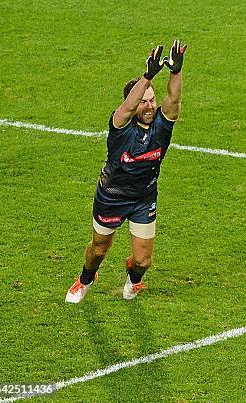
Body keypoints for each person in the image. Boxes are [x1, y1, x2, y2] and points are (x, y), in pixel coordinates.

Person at [66, 40, 188, 303]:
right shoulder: (120, 127)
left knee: (143, 261)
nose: (148, 106)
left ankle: (134, 278)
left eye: (152, 100)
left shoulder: (161, 126)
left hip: (143, 198)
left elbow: (174, 99)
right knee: (99, 250)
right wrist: (148, 76)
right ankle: (86, 278)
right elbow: (128, 108)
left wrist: (175, 72)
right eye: (143, 101)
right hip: (111, 196)